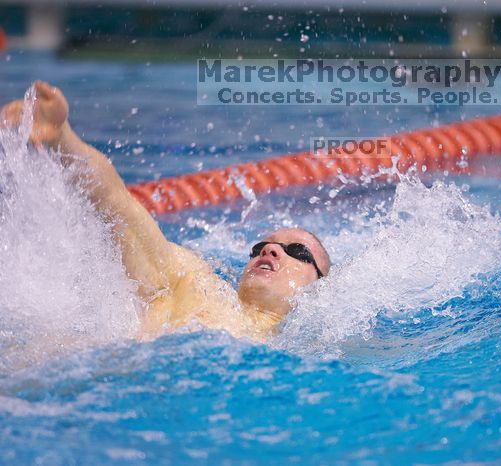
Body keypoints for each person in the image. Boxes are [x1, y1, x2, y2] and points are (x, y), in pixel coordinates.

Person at [0, 81, 330, 342]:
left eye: (297, 251)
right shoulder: (193, 284)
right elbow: (117, 204)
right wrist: (62, 138)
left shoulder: (318, 351)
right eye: (260, 247)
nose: (270, 249)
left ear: (322, 289)